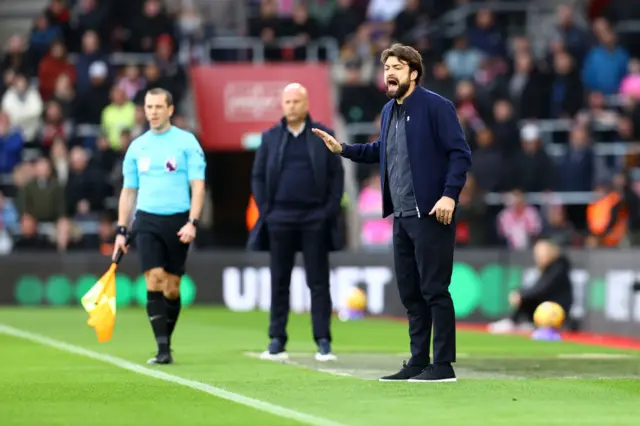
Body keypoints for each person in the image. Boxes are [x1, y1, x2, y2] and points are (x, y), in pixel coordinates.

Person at [314, 43, 472, 382]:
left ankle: (443, 365)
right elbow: (380, 151)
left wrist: (449, 196)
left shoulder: (436, 107)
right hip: (401, 216)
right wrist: (343, 149)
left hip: (432, 213)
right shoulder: (388, 112)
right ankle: (418, 360)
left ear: (414, 73)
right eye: (386, 67)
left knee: (434, 290)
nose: (389, 72)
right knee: (411, 293)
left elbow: (460, 154)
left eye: (397, 67)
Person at [248, 83, 345, 362]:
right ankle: (277, 339)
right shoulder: (270, 138)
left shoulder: (323, 136)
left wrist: (329, 209)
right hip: (279, 219)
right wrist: (267, 209)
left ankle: (323, 340)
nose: (291, 106)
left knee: (318, 282)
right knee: (279, 281)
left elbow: (336, 175)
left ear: (306, 104)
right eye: (287, 101)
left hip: (315, 218)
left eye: (296, 101)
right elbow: (257, 176)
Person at [112, 87, 206, 365]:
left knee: (172, 286)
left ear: (170, 110)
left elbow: (198, 186)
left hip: (178, 221)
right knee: (153, 278)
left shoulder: (187, 143)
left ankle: (166, 341)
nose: (152, 112)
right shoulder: (137, 146)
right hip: (147, 219)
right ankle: (162, 348)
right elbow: (128, 192)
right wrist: (121, 230)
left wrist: (193, 221)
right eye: (148, 107)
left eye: (157, 107)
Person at [488, 239, 574, 334]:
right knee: (525, 297)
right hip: (545, 304)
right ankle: (520, 322)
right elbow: (535, 287)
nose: (539, 257)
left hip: (557, 309)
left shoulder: (559, 267)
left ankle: (513, 322)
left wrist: (521, 294)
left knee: (526, 297)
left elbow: (542, 288)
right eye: (537, 254)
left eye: (542, 253)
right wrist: (520, 292)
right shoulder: (546, 269)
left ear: (551, 252)